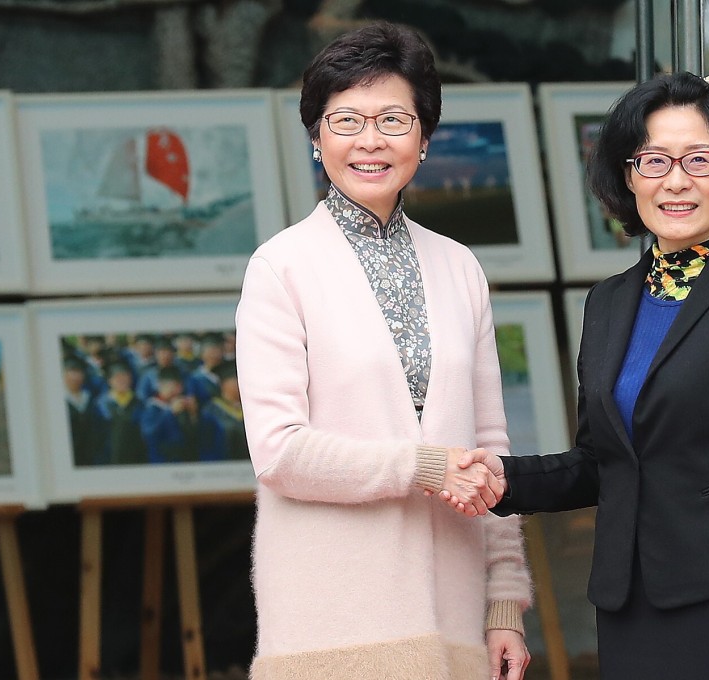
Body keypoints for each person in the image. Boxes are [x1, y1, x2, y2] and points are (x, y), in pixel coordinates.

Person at [449, 72, 709, 680]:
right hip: (631, 605)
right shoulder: (608, 302)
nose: (675, 181)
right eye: (653, 160)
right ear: (628, 177)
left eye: (700, 160)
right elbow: (604, 461)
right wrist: (505, 479)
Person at [234, 22, 532, 680]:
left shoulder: (460, 268)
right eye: (346, 120)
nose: (370, 140)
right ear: (317, 137)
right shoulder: (280, 267)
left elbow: (491, 449)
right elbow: (279, 450)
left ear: (424, 139)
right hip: (329, 627)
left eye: (394, 119)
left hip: (453, 620)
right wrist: (424, 467)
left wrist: (505, 602)